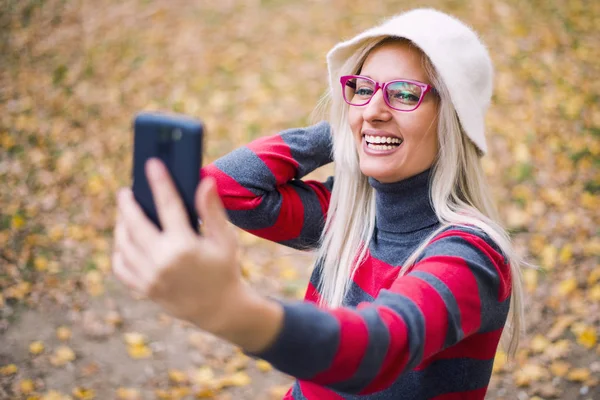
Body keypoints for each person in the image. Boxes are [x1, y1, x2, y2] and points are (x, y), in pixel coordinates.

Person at [112, 8, 525, 400]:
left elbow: (375, 349)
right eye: (362, 90)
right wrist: (349, 131)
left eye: (403, 94)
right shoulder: (347, 214)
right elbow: (224, 189)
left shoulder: (470, 256)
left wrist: (231, 310)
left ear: (453, 119)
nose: (375, 109)